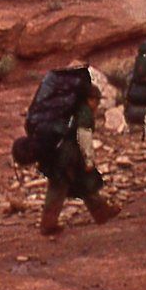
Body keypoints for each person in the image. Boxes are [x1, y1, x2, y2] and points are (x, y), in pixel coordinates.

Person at [41, 82, 120, 236]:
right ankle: (48, 224)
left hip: (56, 152)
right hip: (68, 155)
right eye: (97, 101)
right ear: (90, 99)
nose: (97, 106)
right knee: (66, 185)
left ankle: (101, 212)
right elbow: (84, 137)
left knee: (72, 183)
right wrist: (89, 159)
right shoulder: (84, 112)